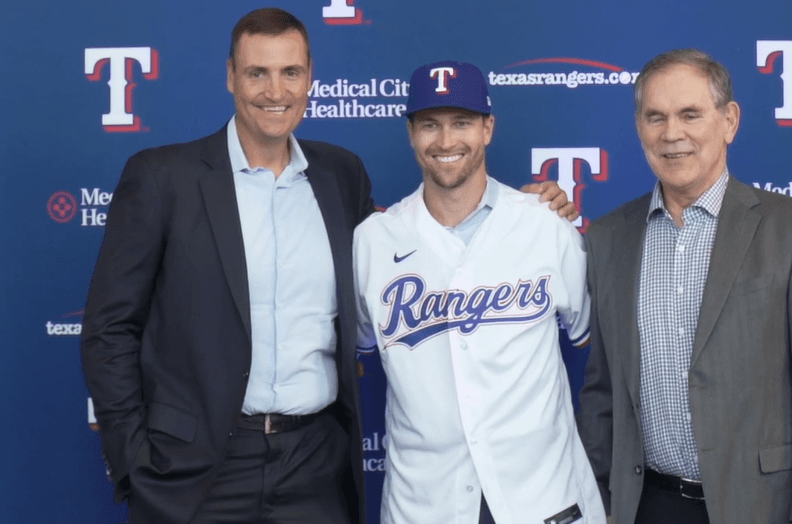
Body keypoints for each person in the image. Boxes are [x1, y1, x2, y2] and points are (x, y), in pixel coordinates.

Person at [80, 9, 574, 524]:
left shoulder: (340, 175)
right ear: (230, 76)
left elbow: (413, 258)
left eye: (290, 73)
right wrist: (133, 462)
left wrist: (537, 209)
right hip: (197, 467)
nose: (276, 91)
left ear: (310, 78)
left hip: (314, 465)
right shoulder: (164, 178)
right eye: (257, 73)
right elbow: (109, 329)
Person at [576, 49, 792, 524]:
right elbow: (603, 392)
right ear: (639, 127)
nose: (672, 134)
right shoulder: (607, 238)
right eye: (655, 117)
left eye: (690, 114)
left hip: (760, 507)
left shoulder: (791, 227)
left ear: (729, 121)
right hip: (645, 507)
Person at [354, 60, 606, 524]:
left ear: (488, 128)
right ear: (411, 132)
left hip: (542, 497)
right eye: (430, 124)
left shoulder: (544, 225)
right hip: (425, 502)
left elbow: (591, 343)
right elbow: (358, 348)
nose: (446, 141)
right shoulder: (372, 242)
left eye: (462, 123)